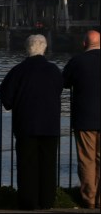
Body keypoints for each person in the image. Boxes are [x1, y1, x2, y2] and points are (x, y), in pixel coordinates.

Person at [0, 33, 64, 210]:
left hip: (25, 124)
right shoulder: (54, 70)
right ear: (45, 48)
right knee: (48, 164)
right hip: (50, 125)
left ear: (26, 49)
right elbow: (59, 89)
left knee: (27, 164)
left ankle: (28, 201)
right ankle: (47, 200)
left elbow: (6, 96)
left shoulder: (18, 70)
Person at [62, 30, 100, 209]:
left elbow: (64, 82)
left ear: (84, 44)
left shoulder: (77, 61)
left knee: (87, 159)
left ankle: (89, 199)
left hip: (85, 119)